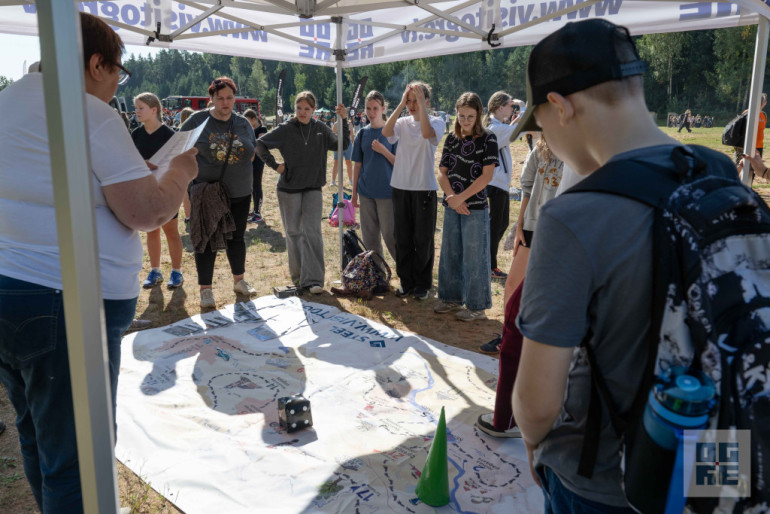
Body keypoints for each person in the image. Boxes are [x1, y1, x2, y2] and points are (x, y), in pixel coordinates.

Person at [506, 18, 739, 512]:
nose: (545, 140)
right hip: (719, 455)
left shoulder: (573, 217)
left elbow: (537, 404)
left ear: (560, 106)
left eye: (542, 126)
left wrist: (534, 442)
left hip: (609, 481)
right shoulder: (718, 174)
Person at [0, 12, 198, 511]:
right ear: (94, 64)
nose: (116, 86)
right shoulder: (86, 111)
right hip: (64, 300)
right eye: (117, 73)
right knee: (79, 455)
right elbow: (147, 210)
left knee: (36, 431)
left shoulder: (8, 103)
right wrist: (179, 172)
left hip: (12, 287)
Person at [255, 92, 350, 294]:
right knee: (294, 233)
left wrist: (344, 120)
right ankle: (299, 278)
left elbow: (343, 145)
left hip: (313, 188)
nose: (303, 112)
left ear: (313, 110)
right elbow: (260, 144)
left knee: (312, 232)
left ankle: (314, 280)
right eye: (299, 108)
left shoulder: (320, 129)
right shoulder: (286, 129)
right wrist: (275, 166)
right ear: (295, 108)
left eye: (307, 109)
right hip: (288, 189)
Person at [180, 76, 257, 309]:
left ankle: (239, 281)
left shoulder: (243, 123)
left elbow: (252, 153)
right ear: (211, 99)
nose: (225, 103)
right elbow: (179, 150)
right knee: (205, 241)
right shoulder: (197, 121)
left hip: (240, 192)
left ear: (235, 99)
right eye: (220, 98)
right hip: (207, 193)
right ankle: (206, 291)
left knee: (237, 238)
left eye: (230, 98)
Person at [434, 92, 498, 321]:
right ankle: (451, 299)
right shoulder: (451, 139)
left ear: (479, 115)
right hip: (452, 204)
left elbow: (487, 176)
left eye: (470, 116)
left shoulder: (488, 139)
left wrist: (461, 198)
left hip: (475, 207)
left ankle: (476, 306)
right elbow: (442, 173)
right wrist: (452, 196)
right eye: (461, 116)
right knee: (450, 253)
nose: (465, 120)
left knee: (475, 257)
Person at [383, 82, 446, 300]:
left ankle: (422, 284)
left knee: (423, 238)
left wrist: (421, 106)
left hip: (424, 188)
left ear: (426, 101)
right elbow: (386, 131)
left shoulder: (437, 122)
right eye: (408, 101)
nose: (411, 105)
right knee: (402, 237)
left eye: (415, 100)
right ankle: (406, 281)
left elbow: (427, 133)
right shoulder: (402, 122)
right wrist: (401, 104)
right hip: (400, 186)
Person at [132, 92, 185, 289]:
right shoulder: (136, 134)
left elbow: (178, 164)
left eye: (140, 108)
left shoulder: (170, 135)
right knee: (151, 232)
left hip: (166, 191)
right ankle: (155, 271)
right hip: (145, 191)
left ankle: (177, 273)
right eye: (136, 108)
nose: (136, 111)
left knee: (171, 231)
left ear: (154, 110)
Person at [351, 90, 398, 261]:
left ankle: (405, 273)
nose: (371, 113)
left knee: (390, 235)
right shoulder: (362, 134)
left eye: (375, 108)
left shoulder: (393, 133)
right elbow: (357, 165)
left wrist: (384, 151)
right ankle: (377, 274)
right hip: (366, 193)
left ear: (383, 109)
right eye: (368, 108)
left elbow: (400, 164)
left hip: (387, 193)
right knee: (370, 238)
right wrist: (354, 192)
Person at [483, 92, 522, 281]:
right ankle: (489, 265)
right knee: (495, 225)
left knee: (502, 223)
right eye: (509, 105)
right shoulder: (494, 129)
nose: (511, 108)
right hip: (495, 183)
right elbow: (517, 132)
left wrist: (519, 116)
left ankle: (487, 261)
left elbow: (512, 131)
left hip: (500, 183)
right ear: (500, 107)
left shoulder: (497, 127)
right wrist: (523, 111)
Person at [243, 109, 268, 223]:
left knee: (257, 185)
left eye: (248, 121)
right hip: (249, 160)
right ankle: (254, 210)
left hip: (258, 160)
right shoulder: (249, 130)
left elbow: (259, 144)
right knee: (251, 186)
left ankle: (258, 213)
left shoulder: (262, 129)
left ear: (254, 119)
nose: (247, 124)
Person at [332, 115, 354, 186]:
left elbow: (352, 135)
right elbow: (333, 135)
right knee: (336, 162)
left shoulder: (349, 124)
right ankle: (333, 181)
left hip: (348, 145)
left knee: (349, 162)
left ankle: (351, 180)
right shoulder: (336, 124)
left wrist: (353, 144)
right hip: (338, 145)